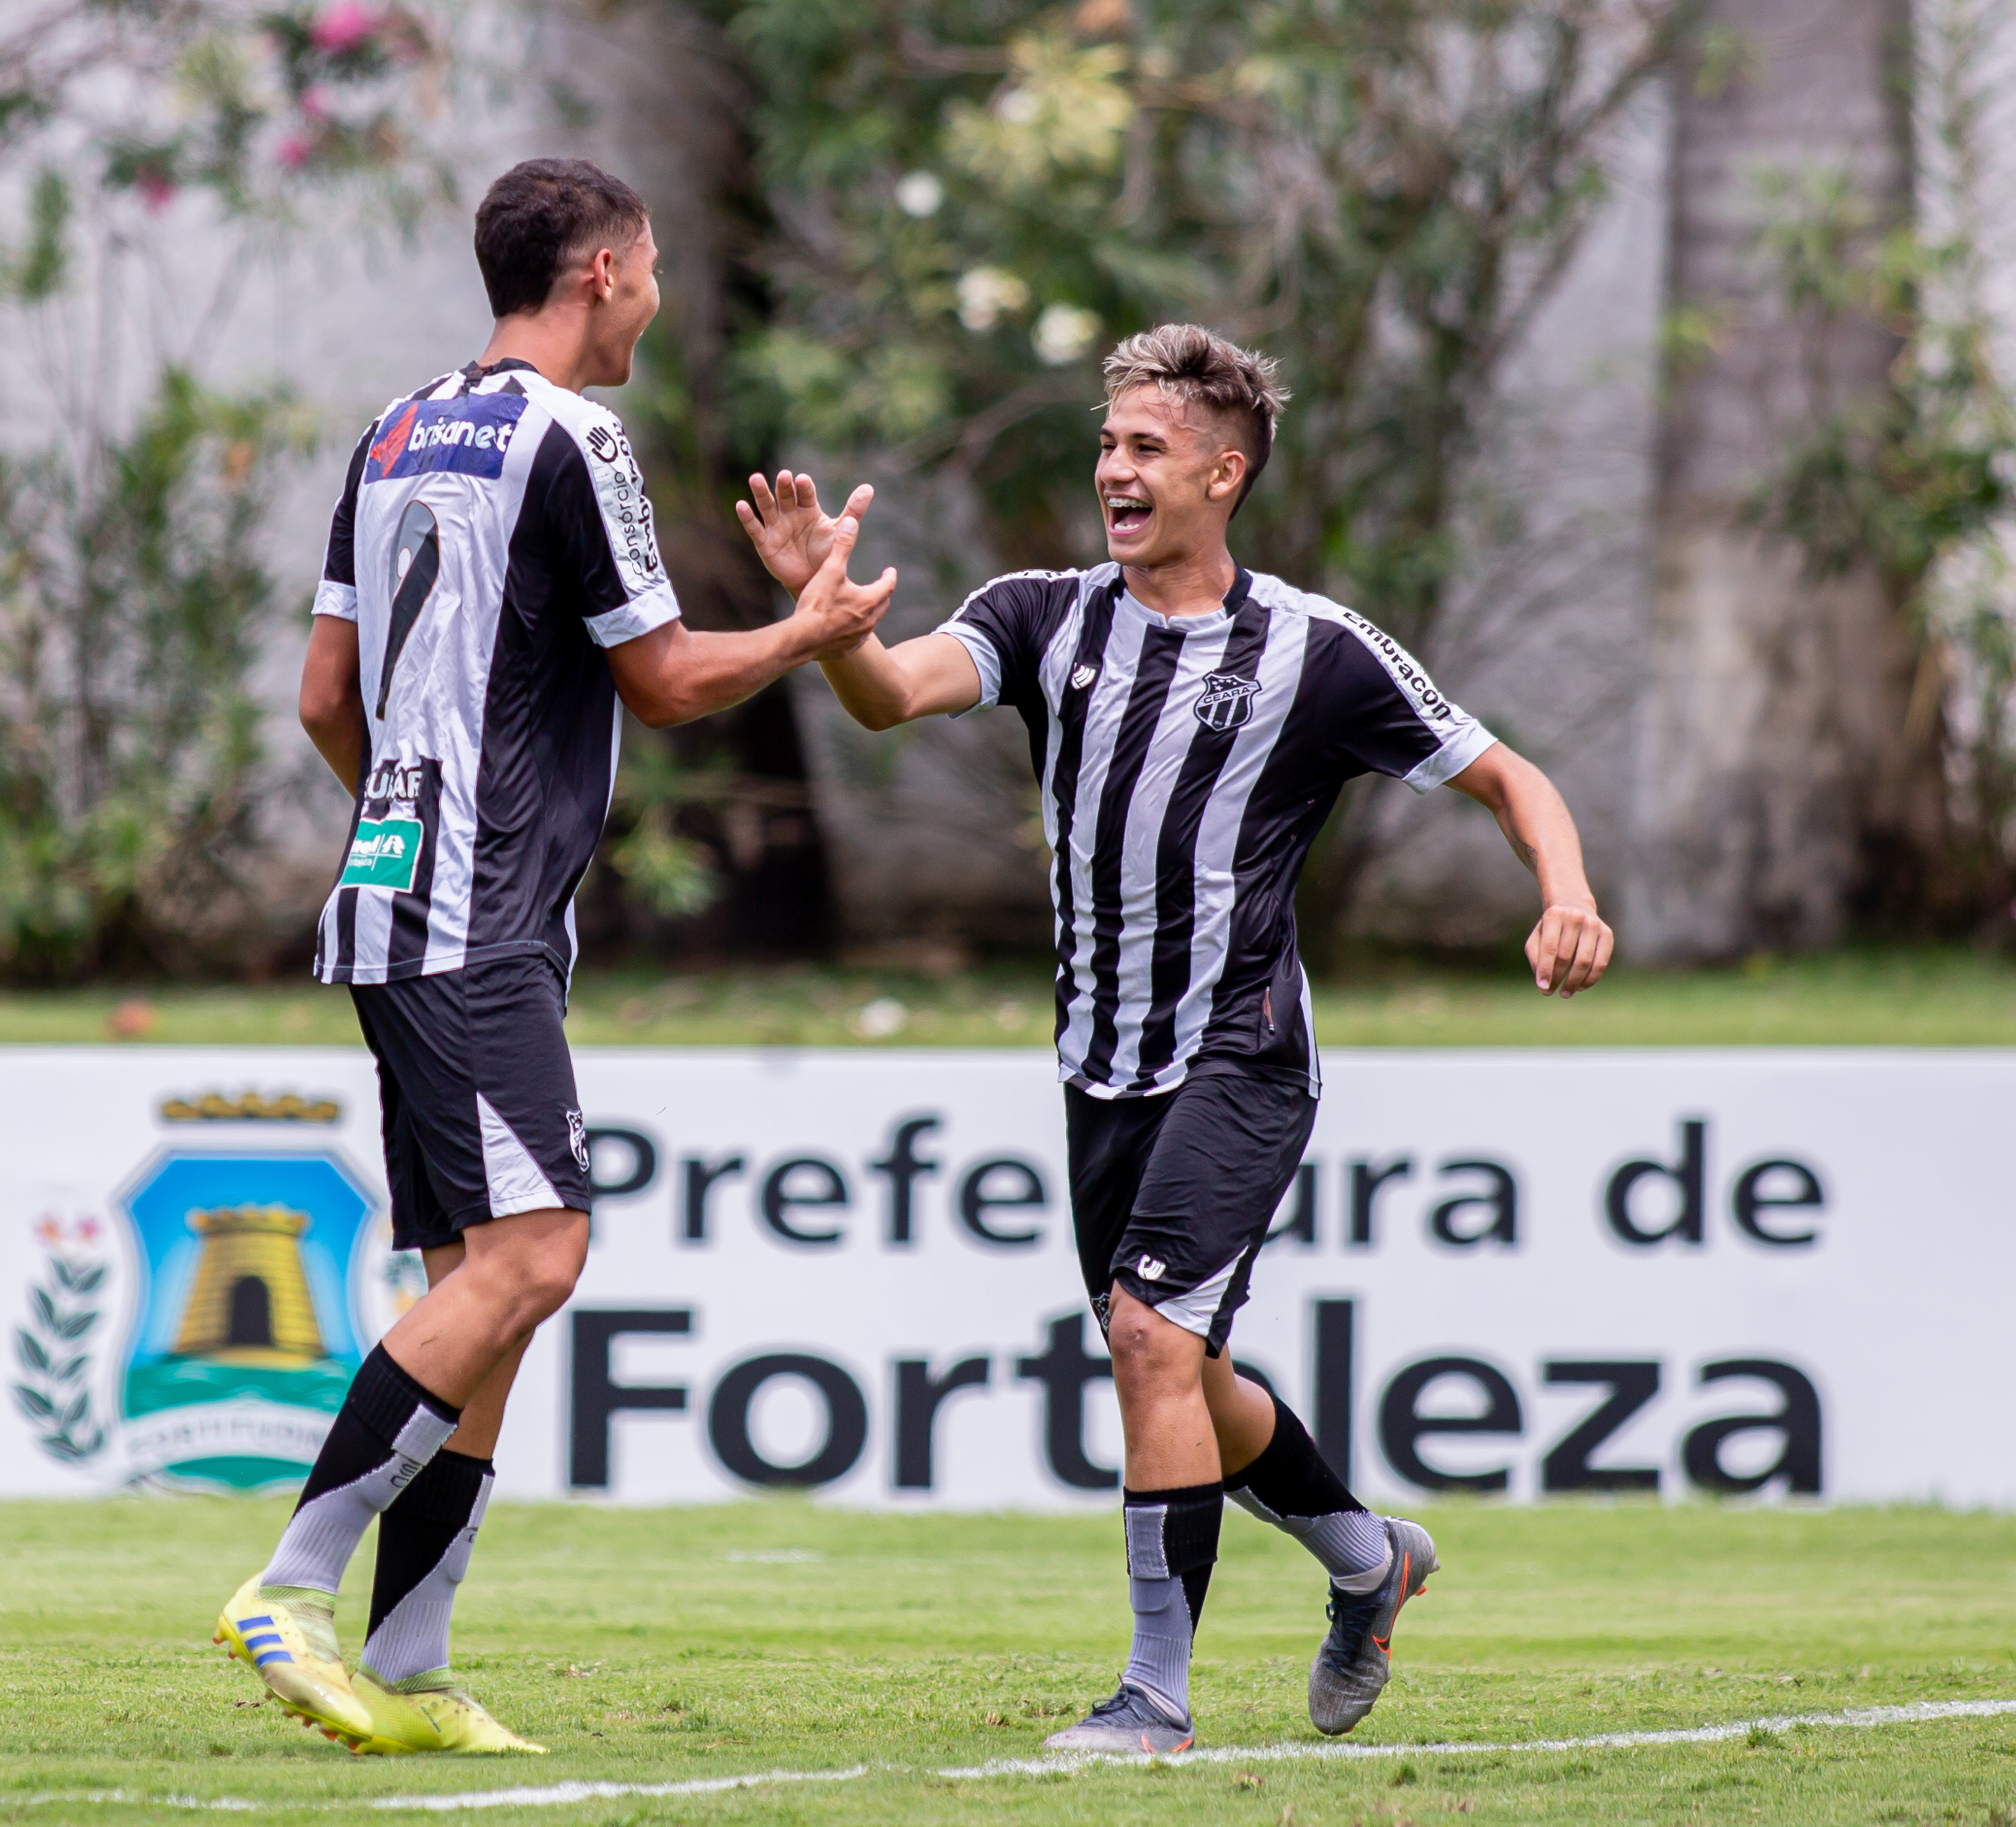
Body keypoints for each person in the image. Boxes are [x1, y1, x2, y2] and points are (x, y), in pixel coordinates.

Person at [736, 323, 1612, 1751]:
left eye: (1146, 447)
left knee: (1149, 1335)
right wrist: (829, 624)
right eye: (1107, 444)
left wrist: (1565, 892)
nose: (1114, 470)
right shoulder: (1040, 615)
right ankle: (1369, 1559)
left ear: (1224, 473)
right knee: (1189, 1375)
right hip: (1100, 1065)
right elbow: (891, 696)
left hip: (1242, 1050)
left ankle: (1154, 1693)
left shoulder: (1316, 650)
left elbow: (1510, 776)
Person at [218, 156, 895, 1759]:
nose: (655, 294)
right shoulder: (575, 438)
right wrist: (809, 631)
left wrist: (410, 810)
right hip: (475, 915)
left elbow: (324, 698)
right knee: (536, 1260)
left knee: (482, 1290)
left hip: (395, 896)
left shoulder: (395, 430)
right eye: (651, 265)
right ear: (603, 270)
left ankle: (411, 1661)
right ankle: (292, 1586)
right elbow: (663, 681)